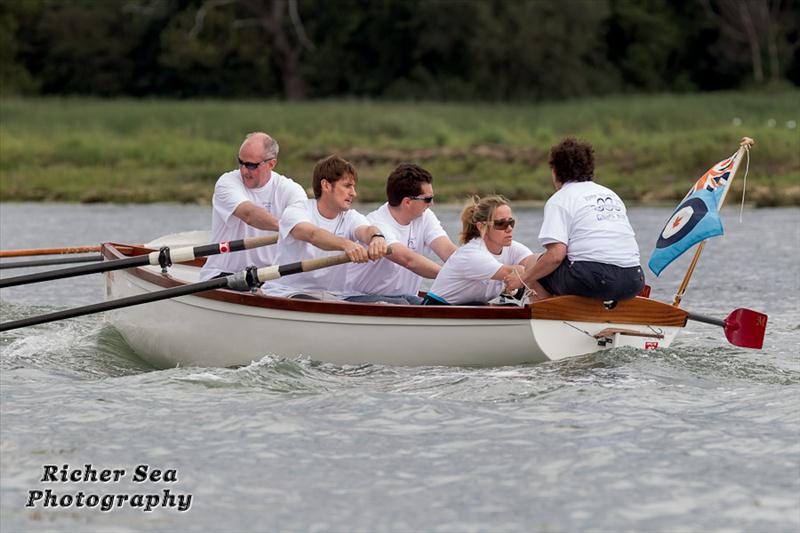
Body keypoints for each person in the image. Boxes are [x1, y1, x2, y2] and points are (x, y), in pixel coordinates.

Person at [505, 137, 644, 303]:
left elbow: (556, 255)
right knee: (568, 268)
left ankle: (550, 317)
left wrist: (522, 279)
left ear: (555, 171)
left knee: (534, 263)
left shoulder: (560, 199)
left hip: (594, 278)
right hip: (634, 279)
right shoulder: (611, 195)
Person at [263, 155, 389, 299]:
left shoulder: (350, 217)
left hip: (335, 296)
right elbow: (313, 235)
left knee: (396, 303)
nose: (354, 193)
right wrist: (346, 244)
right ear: (326, 185)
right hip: (287, 292)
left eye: (353, 187)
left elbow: (366, 230)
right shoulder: (297, 211)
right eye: (347, 186)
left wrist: (377, 237)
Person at [343, 163, 458, 305]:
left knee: (451, 302)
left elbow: (448, 250)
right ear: (408, 202)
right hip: (358, 297)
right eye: (427, 199)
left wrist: (479, 271)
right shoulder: (377, 224)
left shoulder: (425, 215)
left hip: (404, 297)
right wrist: (454, 276)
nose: (432, 203)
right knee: (404, 303)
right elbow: (409, 260)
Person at [200, 132, 307, 281]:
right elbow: (249, 214)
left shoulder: (291, 190)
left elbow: (306, 225)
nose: (243, 170)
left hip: (270, 277)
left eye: (251, 165)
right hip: (224, 274)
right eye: (241, 162)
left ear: (271, 164)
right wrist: (288, 227)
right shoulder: (227, 183)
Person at [423, 195, 535, 305]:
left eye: (511, 223)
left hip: (466, 308)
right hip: (435, 308)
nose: (509, 229)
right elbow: (517, 273)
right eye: (501, 224)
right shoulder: (472, 254)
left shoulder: (512, 248)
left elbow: (535, 263)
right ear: (481, 226)